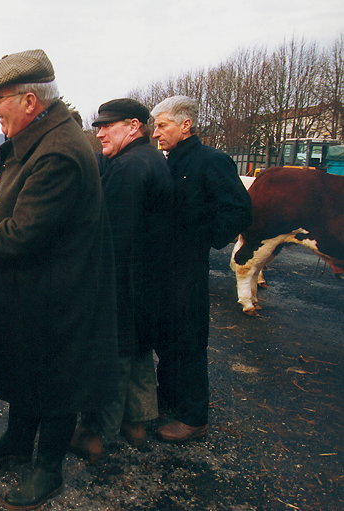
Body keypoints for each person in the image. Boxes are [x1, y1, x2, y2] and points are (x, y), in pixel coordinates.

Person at [0, 49, 118, 511]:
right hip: (36, 287)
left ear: (30, 101)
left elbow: (20, 234)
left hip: (60, 292)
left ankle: (48, 469)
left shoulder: (58, 151)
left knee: (57, 379)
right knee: (26, 366)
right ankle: (18, 442)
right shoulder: (43, 138)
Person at [70, 99, 174, 461]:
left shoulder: (127, 168)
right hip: (147, 279)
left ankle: (97, 434)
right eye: (97, 126)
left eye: (107, 126)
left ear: (134, 126)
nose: (99, 132)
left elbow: (111, 235)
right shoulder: (151, 158)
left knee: (112, 354)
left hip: (122, 280)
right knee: (139, 351)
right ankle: (138, 424)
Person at [150, 95, 252, 443]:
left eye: (162, 125)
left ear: (185, 125)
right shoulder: (168, 161)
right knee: (165, 335)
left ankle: (194, 417)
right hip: (163, 266)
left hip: (188, 268)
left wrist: (207, 238)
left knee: (189, 338)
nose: (156, 133)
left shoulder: (212, 161)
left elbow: (239, 208)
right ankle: (169, 400)